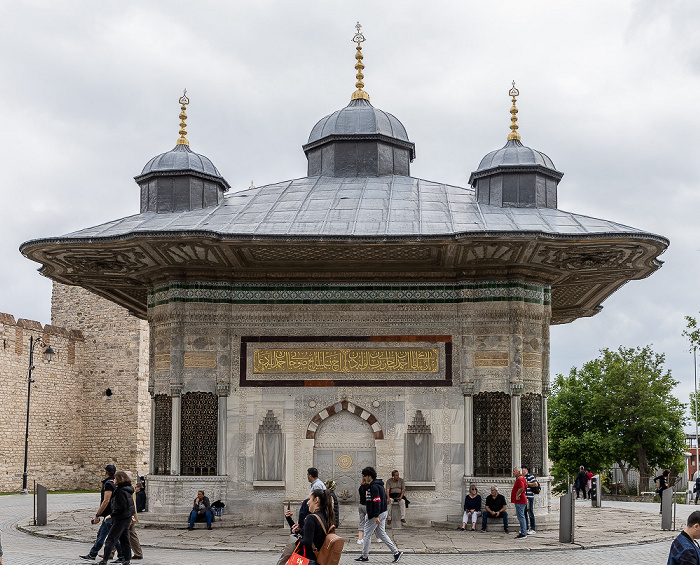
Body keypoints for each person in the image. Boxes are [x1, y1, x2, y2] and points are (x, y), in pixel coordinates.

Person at [356, 466, 403, 563]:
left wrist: (376, 516)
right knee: (381, 534)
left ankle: (365, 556)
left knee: (367, 534)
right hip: (383, 512)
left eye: (364, 476)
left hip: (375, 514)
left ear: (369, 476)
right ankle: (396, 552)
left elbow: (376, 501)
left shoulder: (373, 486)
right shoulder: (379, 484)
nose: (364, 477)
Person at [80, 464, 123, 561]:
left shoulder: (108, 484)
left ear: (105, 472)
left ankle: (122, 556)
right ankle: (93, 554)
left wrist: (98, 514)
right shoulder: (114, 483)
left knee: (113, 537)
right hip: (111, 514)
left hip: (109, 515)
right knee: (102, 535)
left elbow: (106, 500)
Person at [97, 471, 135, 565]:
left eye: (115, 478)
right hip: (126, 517)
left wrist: (111, 515)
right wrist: (131, 515)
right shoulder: (127, 489)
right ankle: (126, 560)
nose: (114, 480)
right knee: (124, 539)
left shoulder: (121, 491)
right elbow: (130, 505)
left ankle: (104, 560)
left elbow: (120, 507)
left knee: (111, 539)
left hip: (120, 518)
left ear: (119, 479)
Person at [511, 466, 528, 539]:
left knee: (521, 517)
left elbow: (522, 487)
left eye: (514, 471)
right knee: (521, 516)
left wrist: (517, 495)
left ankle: (523, 533)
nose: (513, 472)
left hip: (520, 501)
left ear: (518, 472)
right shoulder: (522, 478)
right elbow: (526, 485)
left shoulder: (520, 479)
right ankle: (523, 531)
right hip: (522, 500)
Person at [521, 464, 537, 534]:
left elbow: (535, 484)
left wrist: (527, 483)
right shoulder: (522, 477)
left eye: (523, 469)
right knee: (524, 513)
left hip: (529, 497)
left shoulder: (530, 476)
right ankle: (526, 528)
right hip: (524, 497)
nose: (522, 470)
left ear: (526, 469)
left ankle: (533, 528)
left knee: (530, 512)